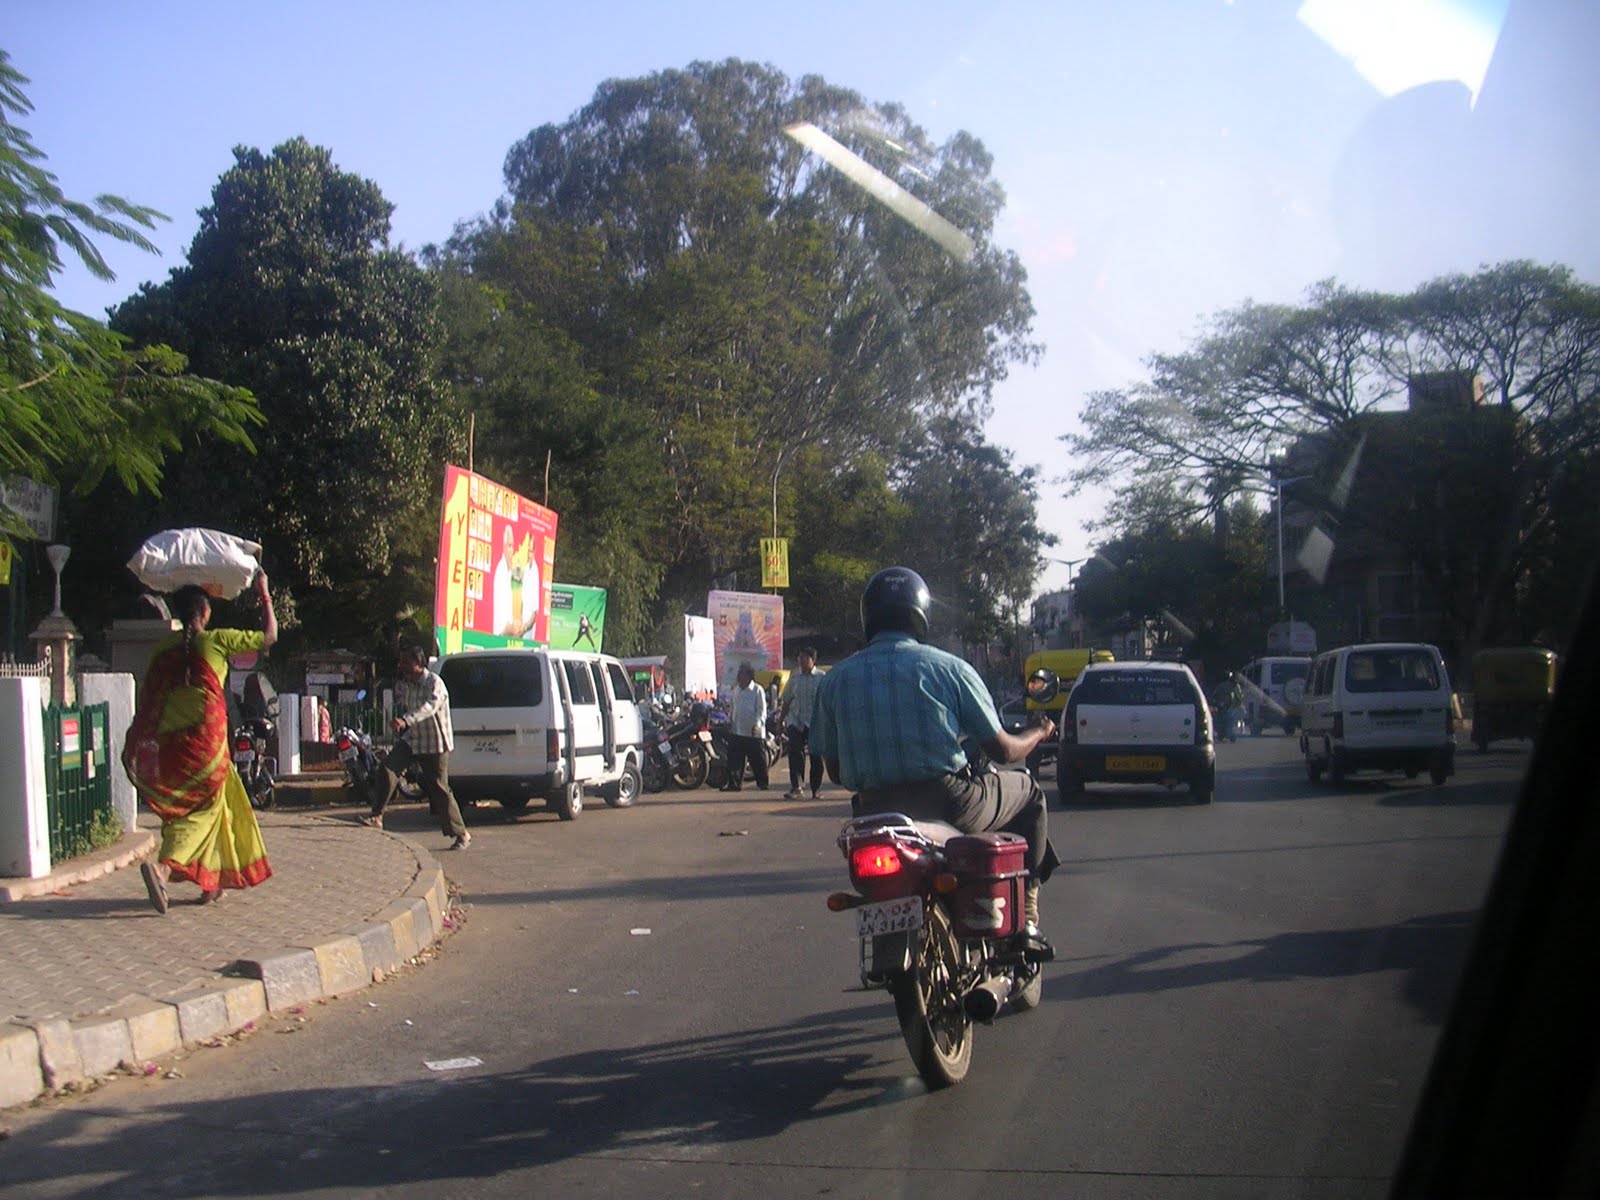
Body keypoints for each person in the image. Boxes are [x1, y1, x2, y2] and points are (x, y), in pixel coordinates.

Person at [810, 566, 1059, 954]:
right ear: (920, 614)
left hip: (872, 814)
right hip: (949, 803)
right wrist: (1039, 732)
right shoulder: (949, 668)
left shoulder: (834, 681)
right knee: (1029, 792)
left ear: (868, 618)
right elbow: (1005, 752)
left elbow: (836, 771)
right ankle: (1026, 917)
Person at [122, 573, 277, 913]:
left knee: (198, 807)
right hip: (206, 744)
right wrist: (263, 592)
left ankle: (211, 884)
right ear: (205, 612)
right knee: (204, 810)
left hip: (170, 747)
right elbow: (270, 636)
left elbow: (150, 697)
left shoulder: (163, 649)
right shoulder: (217, 641)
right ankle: (163, 869)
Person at [361, 644, 471, 849]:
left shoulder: (435, 683)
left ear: (419, 663)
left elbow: (428, 708)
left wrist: (406, 720)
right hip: (413, 739)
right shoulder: (407, 685)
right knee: (387, 768)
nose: (402, 666)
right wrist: (400, 724)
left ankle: (461, 833)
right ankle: (377, 816)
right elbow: (406, 707)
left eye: (406, 662)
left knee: (439, 788)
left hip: (434, 743)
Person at [778, 646, 826, 800]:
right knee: (795, 753)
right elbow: (786, 700)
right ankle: (797, 787)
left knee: (816, 755)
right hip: (796, 720)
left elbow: (827, 701)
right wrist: (781, 720)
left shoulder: (822, 678)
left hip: (815, 722)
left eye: (805, 658)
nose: (802, 661)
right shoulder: (794, 677)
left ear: (813, 660)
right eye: (800, 658)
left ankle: (816, 789)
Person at [720, 663, 769, 791]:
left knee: (757, 759)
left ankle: (763, 783)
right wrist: (729, 721)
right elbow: (733, 708)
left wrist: (757, 724)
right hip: (737, 730)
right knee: (735, 760)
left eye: (742, 674)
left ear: (749, 675)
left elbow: (761, 710)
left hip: (753, 731)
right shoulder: (736, 690)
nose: (740, 676)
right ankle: (734, 784)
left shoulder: (757, 690)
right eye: (739, 674)